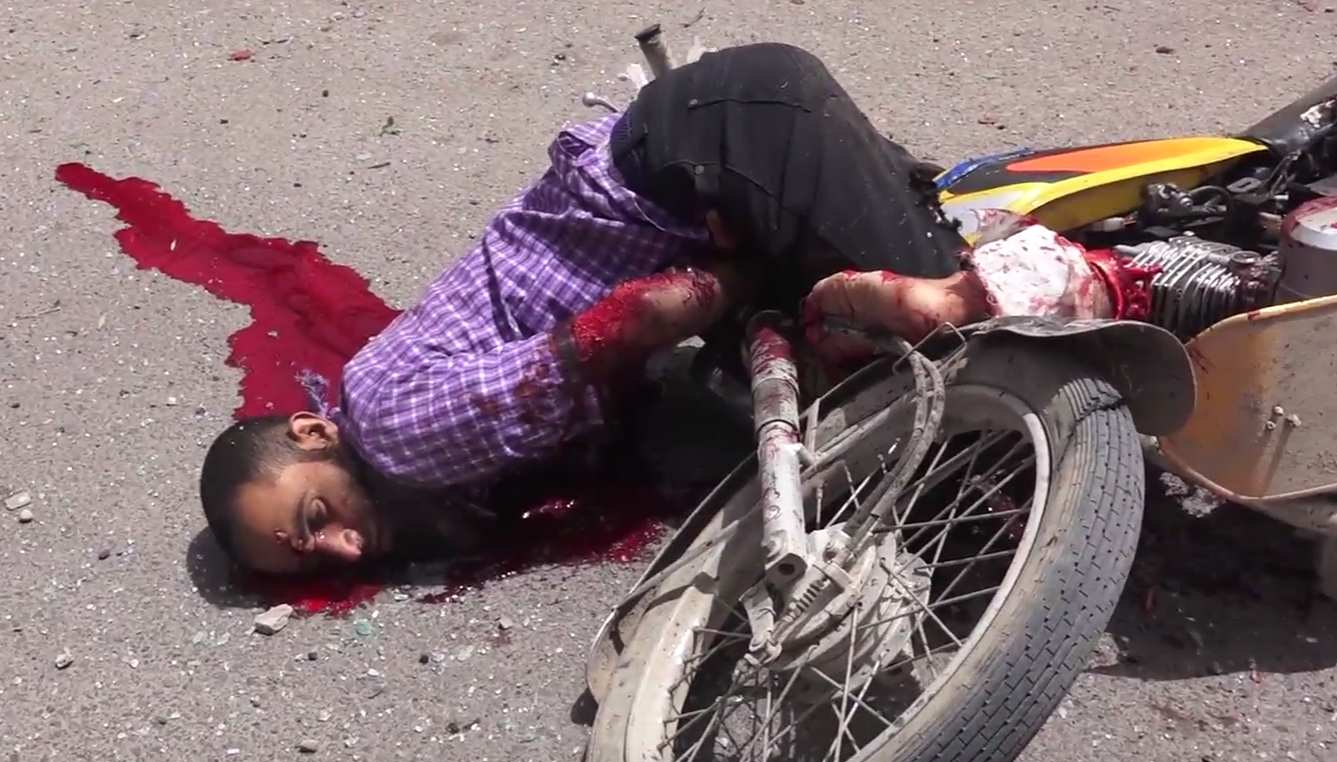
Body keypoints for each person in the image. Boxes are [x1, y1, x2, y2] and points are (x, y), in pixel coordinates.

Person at [199, 42, 1117, 576]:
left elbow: (620, 328)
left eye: (315, 518)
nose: (345, 548)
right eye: (314, 557)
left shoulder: (398, 437)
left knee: (974, 350)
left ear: (313, 433)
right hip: (702, 130)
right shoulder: (379, 404)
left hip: (726, 149)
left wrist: (750, 276)